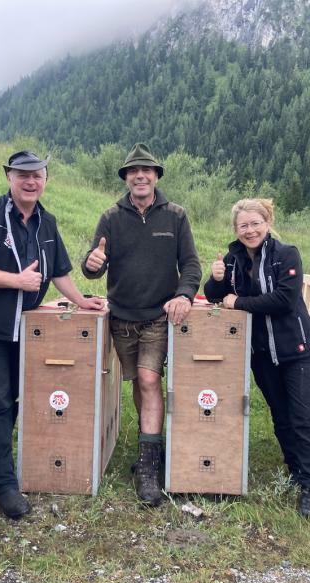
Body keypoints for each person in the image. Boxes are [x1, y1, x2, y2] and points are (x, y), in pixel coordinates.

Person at [0, 150, 105, 520]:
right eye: (23, 175)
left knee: (17, 398)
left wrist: (81, 301)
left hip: (27, 329)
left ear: (45, 180)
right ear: (9, 177)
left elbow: (59, 273)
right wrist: (17, 281)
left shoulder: (47, 222)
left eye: (37, 175)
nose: (30, 182)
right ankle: (5, 485)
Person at [82, 143, 201, 506]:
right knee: (139, 383)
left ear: (156, 176)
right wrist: (93, 261)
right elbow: (93, 267)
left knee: (150, 379)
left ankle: (148, 473)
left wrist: (184, 295)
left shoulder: (176, 216)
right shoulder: (111, 217)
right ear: (126, 178)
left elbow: (191, 266)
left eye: (147, 171)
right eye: (133, 171)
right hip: (122, 318)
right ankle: (152, 448)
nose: (140, 176)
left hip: (158, 316)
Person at [203, 198, 310, 519]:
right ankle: (295, 471)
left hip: (297, 350)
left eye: (256, 223)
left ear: (268, 222)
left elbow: (284, 300)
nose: (250, 230)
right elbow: (216, 296)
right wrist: (217, 277)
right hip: (261, 353)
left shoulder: (287, 255)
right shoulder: (233, 258)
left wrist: (239, 301)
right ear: (236, 229)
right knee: (281, 416)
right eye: (243, 225)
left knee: (303, 417)